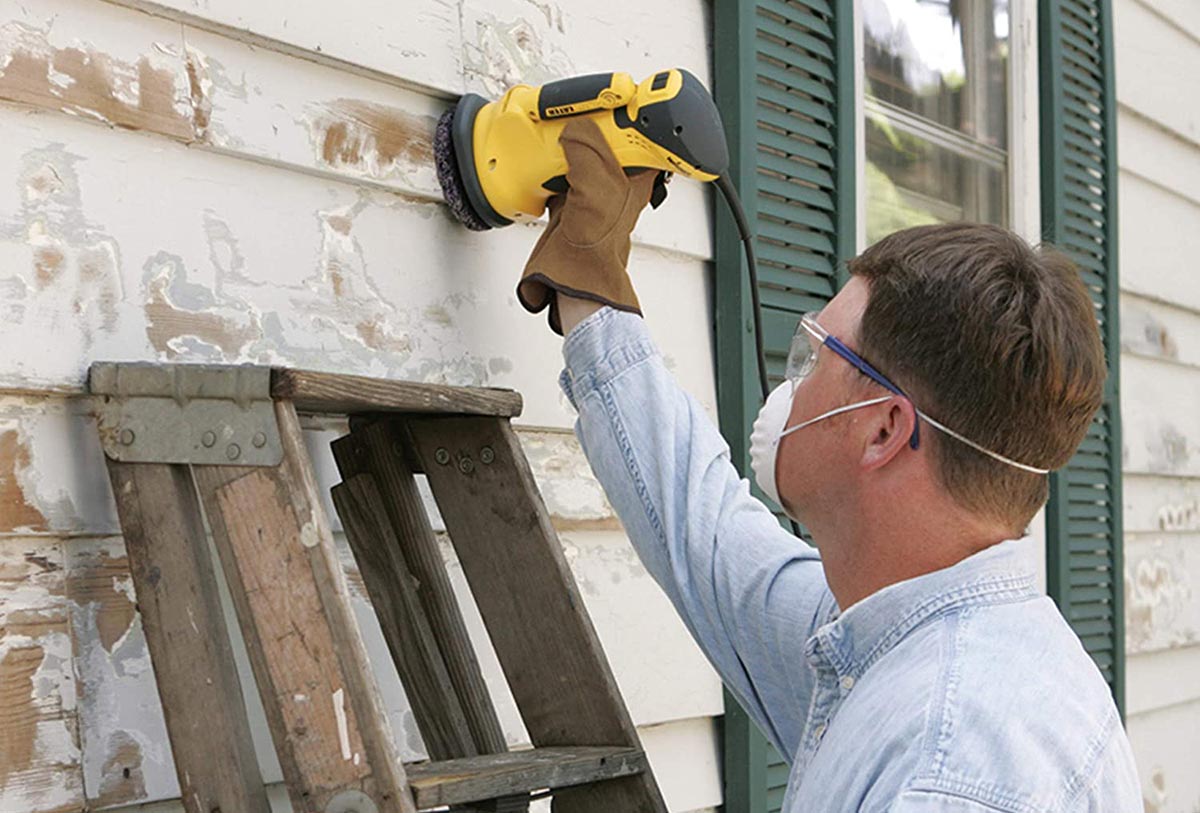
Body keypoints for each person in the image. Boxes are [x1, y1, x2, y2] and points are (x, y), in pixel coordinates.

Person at [515, 118, 1141, 811]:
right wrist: (591, 289)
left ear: (883, 428)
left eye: (818, 352)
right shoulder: (890, 640)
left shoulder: (954, 763)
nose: (794, 380)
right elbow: (708, 535)